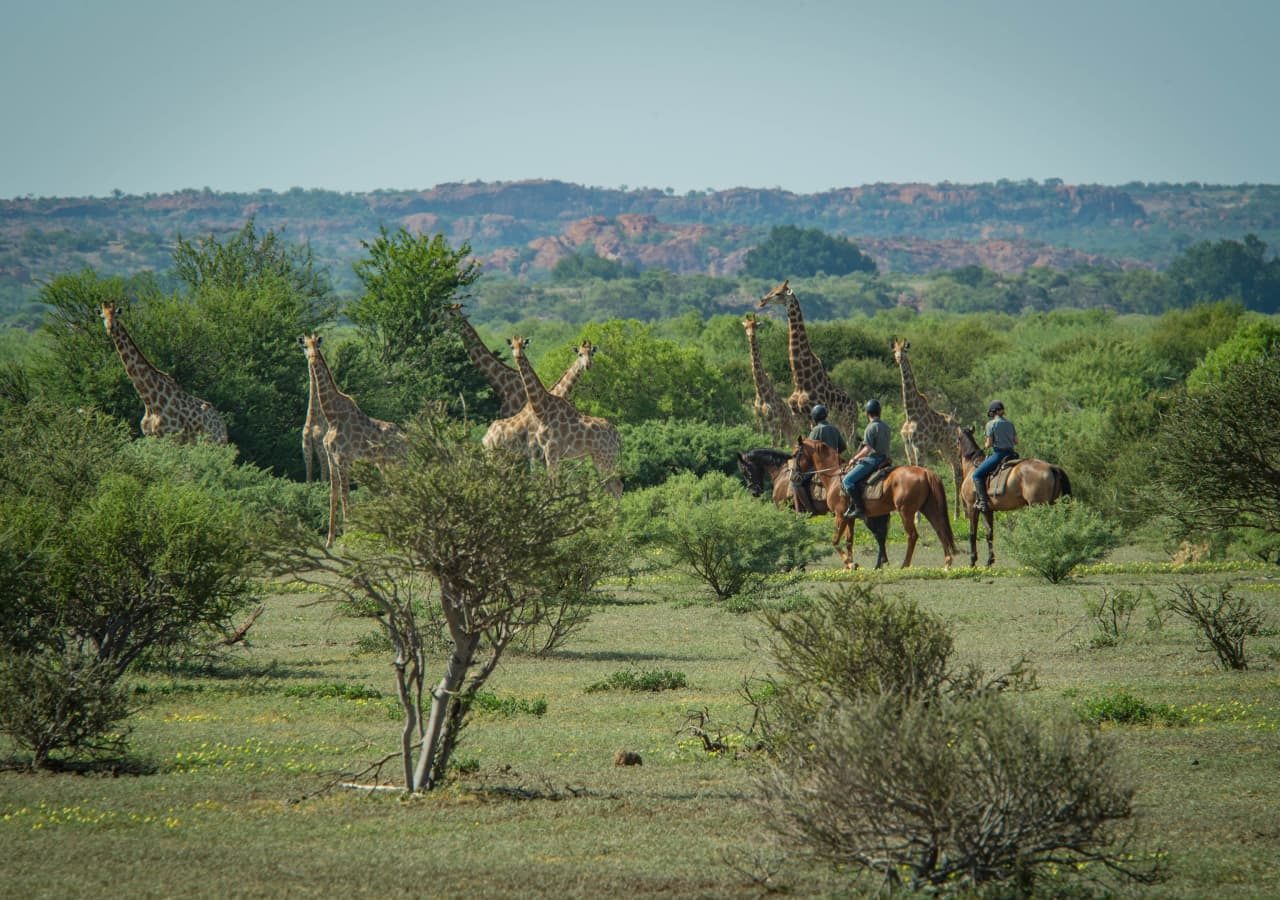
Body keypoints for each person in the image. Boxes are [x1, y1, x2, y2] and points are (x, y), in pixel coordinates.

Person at [841, 399, 891, 519]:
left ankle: (859, 508)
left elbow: (867, 449)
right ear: (879, 412)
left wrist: (854, 458)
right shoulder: (886, 426)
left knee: (847, 480)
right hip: (885, 458)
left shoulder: (870, 427)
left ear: (867, 413)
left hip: (873, 460)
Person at [793, 404, 846, 515]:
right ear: (825, 415)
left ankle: (809, 511)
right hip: (836, 464)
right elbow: (843, 447)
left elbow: (808, 449)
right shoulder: (834, 429)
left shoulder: (816, 430)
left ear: (814, 418)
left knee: (797, 483)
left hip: (821, 466)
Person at [972, 400, 1018, 512]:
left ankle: (983, 503)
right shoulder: (1010, 424)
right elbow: (1016, 441)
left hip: (999, 454)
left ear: (993, 412)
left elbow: (989, 443)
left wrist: (985, 445)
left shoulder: (990, 424)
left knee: (976, 475)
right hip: (1012, 454)